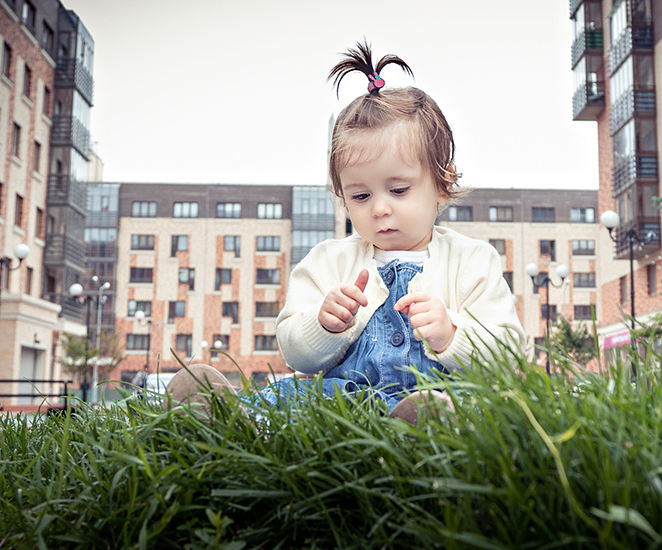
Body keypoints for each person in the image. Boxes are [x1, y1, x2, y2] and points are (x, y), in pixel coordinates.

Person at [168, 42, 527, 422]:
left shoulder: (471, 260)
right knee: (293, 394)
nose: (380, 208)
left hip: (438, 394)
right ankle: (224, 414)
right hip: (345, 401)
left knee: (467, 407)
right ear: (342, 196)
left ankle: (419, 426)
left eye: (399, 190)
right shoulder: (328, 261)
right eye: (360, 195)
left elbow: (507, 355)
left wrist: (452, 333)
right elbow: (294, 351)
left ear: (442, 183)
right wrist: (323, 325)